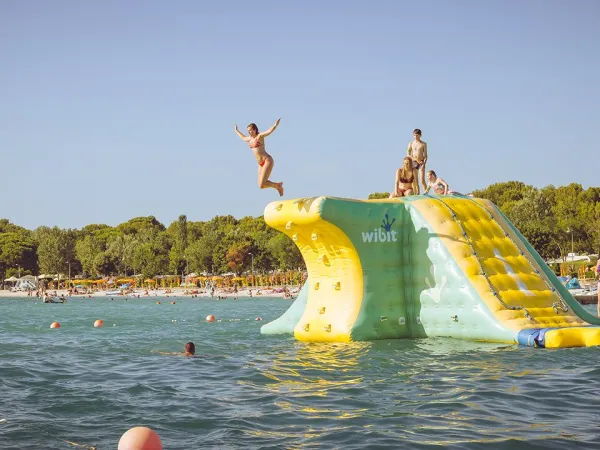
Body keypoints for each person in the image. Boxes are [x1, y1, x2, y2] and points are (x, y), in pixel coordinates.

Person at [235, 119, 284, 196]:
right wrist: (236, 130)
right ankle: (277, 186)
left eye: (250, 130)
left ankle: (278, 186)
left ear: (255, 129)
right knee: (261, 185)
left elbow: (269, 131)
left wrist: (275, 125)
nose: (249, 132)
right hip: (260, 164)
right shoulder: (250, 139)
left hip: (267, 160)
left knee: (263, 183)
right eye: (248, 131)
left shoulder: (260, 136)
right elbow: (243, 138)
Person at [407, 128, 428, 194]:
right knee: (415, 180)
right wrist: (415, 159)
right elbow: (408, 154)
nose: (416, 137)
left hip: (421, 162)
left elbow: (426, 155)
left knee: (422, 179)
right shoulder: (411, 143)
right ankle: (417, 193)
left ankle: (426, 192)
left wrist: (424, 163)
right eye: (414, 135)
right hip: (414, 162)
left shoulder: (423, 144)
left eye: (417, 135)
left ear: (420, 135)